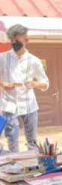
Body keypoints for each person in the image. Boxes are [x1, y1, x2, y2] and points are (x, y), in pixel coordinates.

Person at [0, 24, 49, 152]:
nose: (14, 42)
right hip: (9, 104)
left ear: (26, 40)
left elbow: (45, 83)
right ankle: (14, 167)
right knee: (12, 139)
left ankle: (32, 166)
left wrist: (35, 84)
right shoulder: (2, 58)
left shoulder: (34, 61)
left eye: (17, 40)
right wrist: (3, 83)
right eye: (12, 40)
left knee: (32, 141)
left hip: (29, 105)